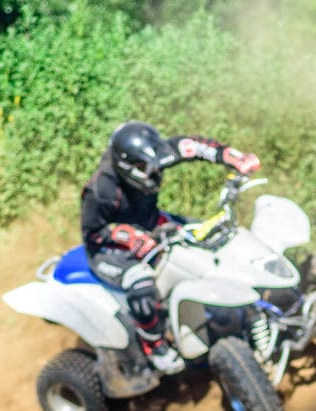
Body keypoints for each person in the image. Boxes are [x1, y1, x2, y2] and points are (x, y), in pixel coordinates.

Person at [81, 121, 260, 373]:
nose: (154, 171)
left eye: (154, 164)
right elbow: (93, 232)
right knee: (141, 283)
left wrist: (233, 157)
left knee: (209, 237)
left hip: (151, 223)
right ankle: (153, 345)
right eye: (144, 168)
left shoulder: (152, 156)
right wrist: (128, 235)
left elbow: (194, 147)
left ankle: (239, 303)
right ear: (125, 166)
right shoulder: (101, 190)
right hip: (109, 249)